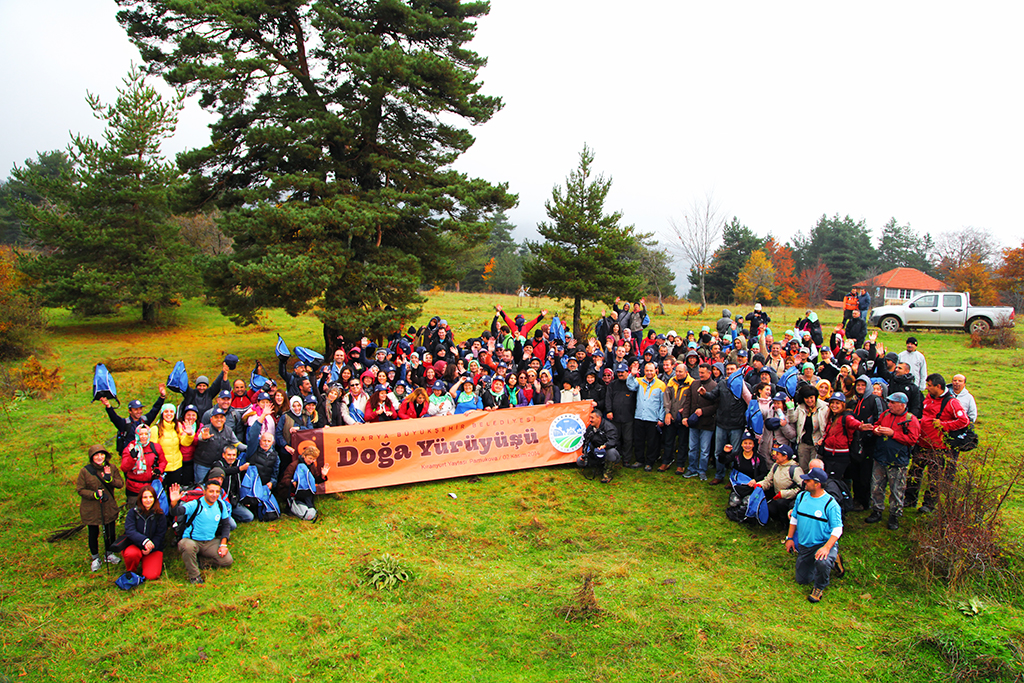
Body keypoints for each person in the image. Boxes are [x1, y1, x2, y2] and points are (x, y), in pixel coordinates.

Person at [905, 373, 970, 514]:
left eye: (929, 385)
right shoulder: (929, 398)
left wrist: (944, 425)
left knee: (934, 478)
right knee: (914, 473)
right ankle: (909, 500)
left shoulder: (952, 402)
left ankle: (929, 504)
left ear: (938, 386)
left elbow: (964, 421)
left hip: (938, 448)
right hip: (922, 443)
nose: (927, 388)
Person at [785, 468, 844, 603]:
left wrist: (826, 548)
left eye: (808, 480)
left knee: (822, 562)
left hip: (823, 544)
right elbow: (794, 518)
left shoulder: (831, 504)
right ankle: (831, 560)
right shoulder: (801, 497)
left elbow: (837, 529)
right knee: (802, 580)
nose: (804, 482)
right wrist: (789, 538)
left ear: (817, 484)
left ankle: (819, 587)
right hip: (805, 545)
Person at [865, 392, 921, 529]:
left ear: (902, 405)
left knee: (897, 490)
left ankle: (894, 515)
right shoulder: (885, 415)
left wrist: (893, 434)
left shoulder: (911, 420)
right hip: (880, 457)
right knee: (876, 486)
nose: (889, 405)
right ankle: (877, 510)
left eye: (892, 403)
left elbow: (913, 440)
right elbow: (876, 425)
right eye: (889, 402)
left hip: (898, 461)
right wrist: (876, 430)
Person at [168, 480, 233, 585]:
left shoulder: (221, 505)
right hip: (192, 540)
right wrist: (174, 502)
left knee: (227, 560)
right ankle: (195, 577)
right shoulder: (195, 504)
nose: (214, 494)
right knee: (187, 546)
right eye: (211, 491)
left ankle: (198, 561)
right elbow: (176, 512)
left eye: (217, 492)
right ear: (204, 492)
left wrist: (223, 544)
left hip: (209, 541)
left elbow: (226, 525)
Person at [76, 445, 124, 572]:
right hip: (91, 508)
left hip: (108, 506)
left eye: (102, 454)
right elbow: (80, 489)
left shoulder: (111, 468)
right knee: (93, 533)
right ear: (91, 457)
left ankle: (109, 553)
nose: (99, 457)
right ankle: (95, 557)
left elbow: (120, 484)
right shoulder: (85, 471)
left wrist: (109, 479)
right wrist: (94, 495)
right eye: (96, 455)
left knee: (110, 531)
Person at [100, 386, 166, 457]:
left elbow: (155, 410)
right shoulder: (124, 424)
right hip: (129, 456)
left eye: (140, 409)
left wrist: (162, 397)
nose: (139, 412)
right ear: (130, 411)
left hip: (143, 454)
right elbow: (114, 417)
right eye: (135, 410)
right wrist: (108, 406)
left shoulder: (145, 420)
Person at [626, 361, 666, 472]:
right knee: (639, 440)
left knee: (652, 442)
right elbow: (630, 385)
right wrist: (632, 374)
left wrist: (661, 418)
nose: (649, 372)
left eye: (651, 370)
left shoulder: (661, 385)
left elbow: (663, 404)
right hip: (639, 416)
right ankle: (639, 460)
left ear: (655, 371)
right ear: (644, 371)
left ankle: (650, 462)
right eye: (647, 370)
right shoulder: (639, 381)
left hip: (653, 418)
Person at [680, 363, 717, 480]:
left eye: (703, 373)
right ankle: (692, 468)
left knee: (704, 450)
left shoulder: (714, 386)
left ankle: (702, 470)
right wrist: (685, 416)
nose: (700, 375)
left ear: (709, 373)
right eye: (699, 372)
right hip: (694, 422)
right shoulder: (694, 384)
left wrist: (703, 411)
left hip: (707, 422)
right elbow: (688, 402)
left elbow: (716, 405)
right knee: (692, 447)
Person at [122, 485, 167, 580]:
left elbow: (160, 534)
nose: (148, 500)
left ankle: (147, 564)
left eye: (151, 497)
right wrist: (144, 541)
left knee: (151, 575)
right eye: (145, 497)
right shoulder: (133, 512)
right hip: (135, 545)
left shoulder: (160, 515)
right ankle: (131, 572)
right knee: (131, 554)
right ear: (140, 499)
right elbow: (130, 531)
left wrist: (151, 546)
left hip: (153, 548)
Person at [749, 444, 804, 523]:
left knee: (780, 504)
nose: (775, 455)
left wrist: (783, 494)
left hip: (789, 498)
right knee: (770, 507)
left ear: (785, 457)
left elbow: (801, 488)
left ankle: (785, 523)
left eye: (778, 454)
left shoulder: (795, 470)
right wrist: (760, 485)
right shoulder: (776, 466)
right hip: (777, 495)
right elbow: (768, 480)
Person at [120, 424, 167, 510]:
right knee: (135, 512)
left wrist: (159, 470)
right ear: (137, 435)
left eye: (146, 434)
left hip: (152, 486)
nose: (143, 437)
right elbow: (124, 468)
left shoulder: (155, 447)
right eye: (141, 434)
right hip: (134, 488)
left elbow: (163, 461)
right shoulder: (130, 448)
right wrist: (132, 457)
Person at [279, 443, 331, 520]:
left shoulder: (312, 465)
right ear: (304, 456)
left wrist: (323, 475)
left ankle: (309, 510)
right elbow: (283, 481)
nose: (312, 461)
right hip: (293, 491)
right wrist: (293, 482)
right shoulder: (293, 465)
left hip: (306, 492)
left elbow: (315, 480)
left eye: (314, 459)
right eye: (310, 458)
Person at [153, 403, 194, 490]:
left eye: (171, 412)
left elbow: (184, 443)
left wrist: (189, 434)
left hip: (176, 466)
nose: (169, 414)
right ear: (162, 413)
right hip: (162, 468)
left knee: (174, 493)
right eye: (166, 411)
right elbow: (153, 449)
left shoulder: (177, 427)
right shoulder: (155, 429)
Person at [578, 407, 621, 483]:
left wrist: (604, 446)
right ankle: (599, 466)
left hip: (607, 451)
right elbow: (585, 440)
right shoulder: (590, 428)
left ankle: (607, 475)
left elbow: (613, 441)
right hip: (595, 452)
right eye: (590, 417)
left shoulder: (610, 427)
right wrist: (584, 454)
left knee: (611, 452)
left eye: (592, 418)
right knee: (579, 461)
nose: (590, 420)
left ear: (599, 418)